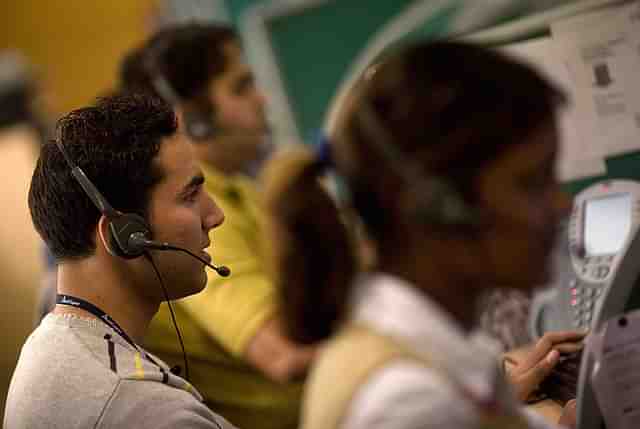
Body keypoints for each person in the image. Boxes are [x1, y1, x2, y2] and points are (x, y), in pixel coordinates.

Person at [262, 40, 585, 429]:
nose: (561, 205)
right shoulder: (408, 400)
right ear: (439, 206)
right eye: (531, 183)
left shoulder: (423, 341)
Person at [118, 24, 314, 429]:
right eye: (241, 87)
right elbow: (284, 354)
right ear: (194, 118)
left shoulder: (242, 189)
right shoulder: (194, 218)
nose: (262, 99)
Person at [4, 93, 235, 429]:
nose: (215, 215)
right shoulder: (146, 411)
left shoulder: (48, 345)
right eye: (190, 196)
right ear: (124, 235)